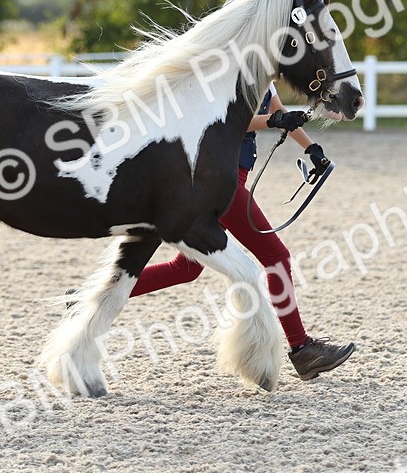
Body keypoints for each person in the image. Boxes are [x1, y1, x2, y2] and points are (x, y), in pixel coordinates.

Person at [127, 82, 356, 380]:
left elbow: (278, 111)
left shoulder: (265, 77)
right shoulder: (233, 75)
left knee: (186, 268)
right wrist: (274, 122)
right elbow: (229, 119)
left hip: (228, 179)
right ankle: (302, 348)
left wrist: (310, 147)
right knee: (277, 257)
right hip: (221, 182)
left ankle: (87, 299)